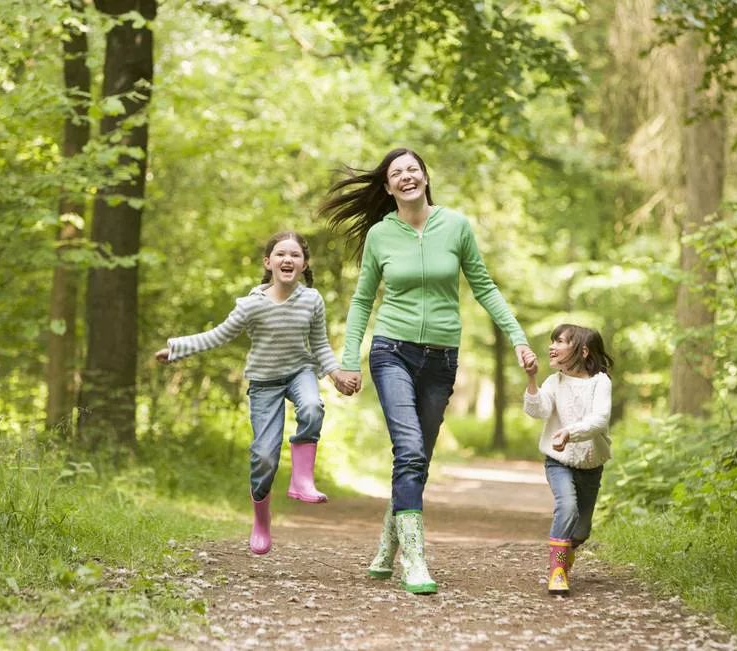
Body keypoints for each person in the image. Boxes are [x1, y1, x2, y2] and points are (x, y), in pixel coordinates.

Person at [319, 147, 537, 594]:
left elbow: (484, 285)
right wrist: (347, 360)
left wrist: (518, 337)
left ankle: (387, 542)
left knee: (417, 459)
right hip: (391, 351)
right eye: (396, 173)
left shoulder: (455, 226)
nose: (405, 177)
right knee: (411, 449)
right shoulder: (382, 234)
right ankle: (414, 561)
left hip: (441, 357)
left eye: (412, 169)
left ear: (424, 177)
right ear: (387, 186)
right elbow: (363, 300)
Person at [154, 231, 358, 555]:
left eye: (295, 255)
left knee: (312, 407)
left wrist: (335, 374)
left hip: (299, 372)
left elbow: (319, 345)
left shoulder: (312, 300)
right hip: (264, 382)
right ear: (268, 262)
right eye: (280, 254)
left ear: (304, 264)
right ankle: (261, 520)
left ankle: (301, 480)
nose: (287, 259)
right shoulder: (252, 305)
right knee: (264, 456)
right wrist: (176, 349)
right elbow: (217, 336)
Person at [523, 323, 613, 596]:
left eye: (559, 341)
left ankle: (566, 549)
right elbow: (538, 411)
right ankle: (558, 571)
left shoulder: (600, 382)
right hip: (557, 460)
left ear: (583, 351)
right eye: (552, 341)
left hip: (591, 464)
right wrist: (531, 380)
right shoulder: (554, 381)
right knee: (568, 507)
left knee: (582, 530)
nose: (552, 346)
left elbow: (599, 420)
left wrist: (570, 432)